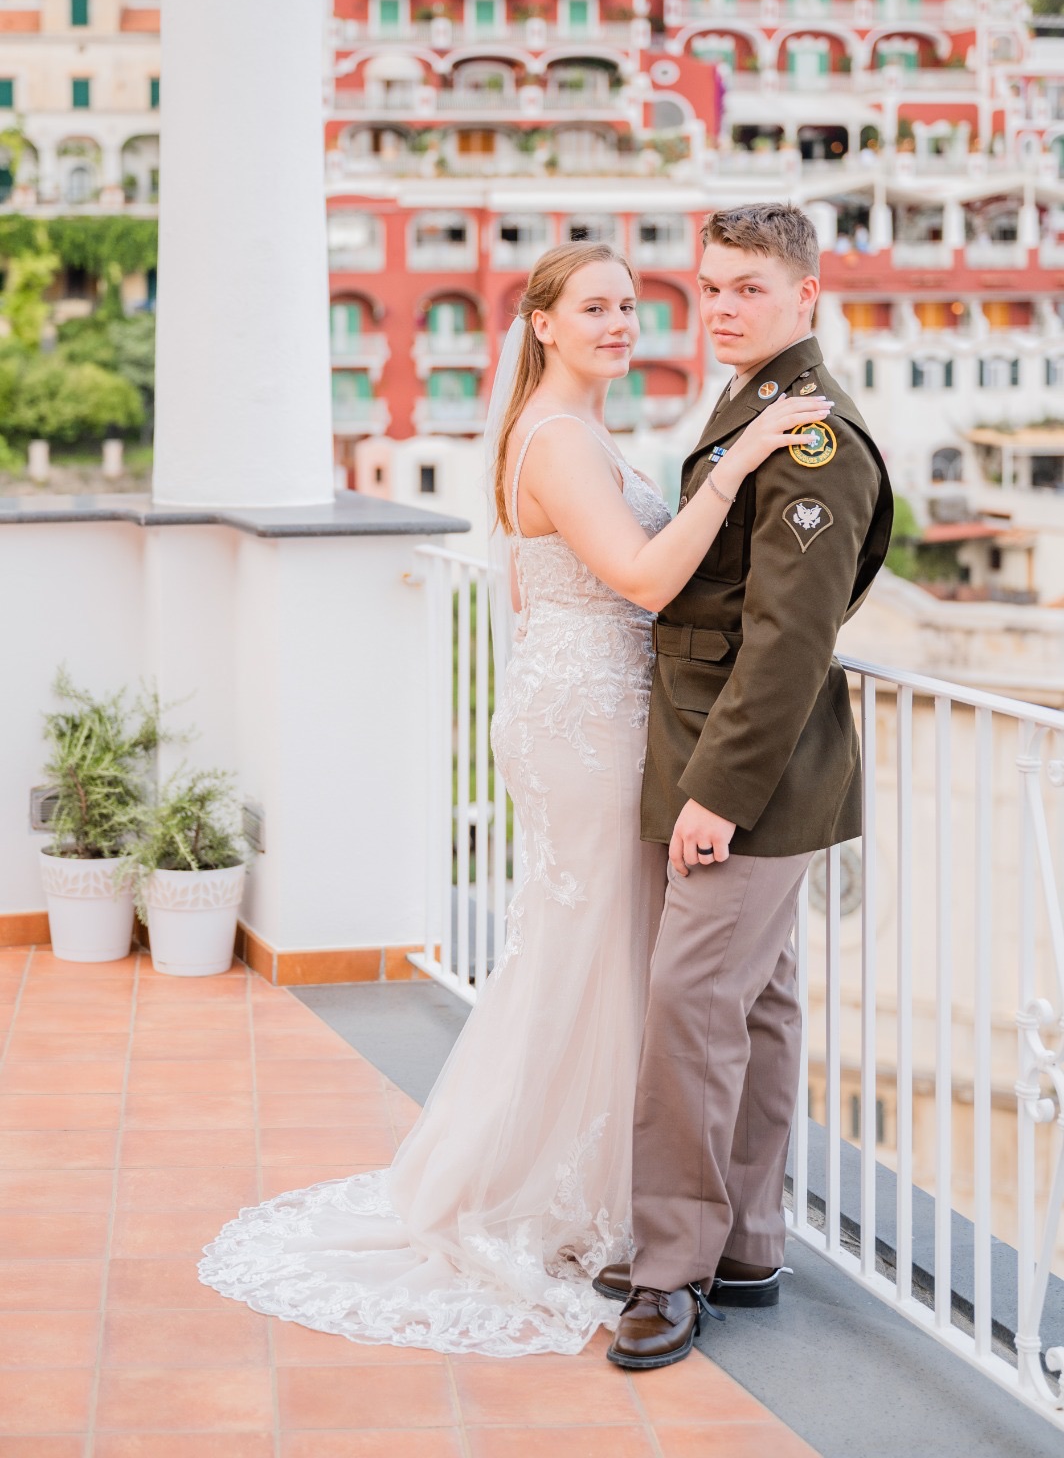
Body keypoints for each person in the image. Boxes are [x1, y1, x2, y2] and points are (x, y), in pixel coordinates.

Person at [198, 239, 832, 1357]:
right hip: (593, 723)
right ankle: (581, 1197)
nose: (621, 323)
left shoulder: (564, 428)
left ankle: (612, 1189)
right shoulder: (559, 437)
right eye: (594, 308)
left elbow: (540, 590)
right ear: (541, 324)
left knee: (594, 949)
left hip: (582, 703)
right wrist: (736, 465)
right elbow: (644, 579)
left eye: (630, 305)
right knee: (600, 949)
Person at [592, 203, 894, 1371]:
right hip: (729, 758)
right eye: (709, 286)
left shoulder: (813, 438)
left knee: (688, 1008)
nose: (719, 307)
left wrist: (715, 794)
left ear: (805, 295)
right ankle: (748, 1244)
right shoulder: (754, 405)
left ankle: (670, 1269)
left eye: (748, 289)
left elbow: (785, 641)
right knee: (754, 1006)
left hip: (749, 775)